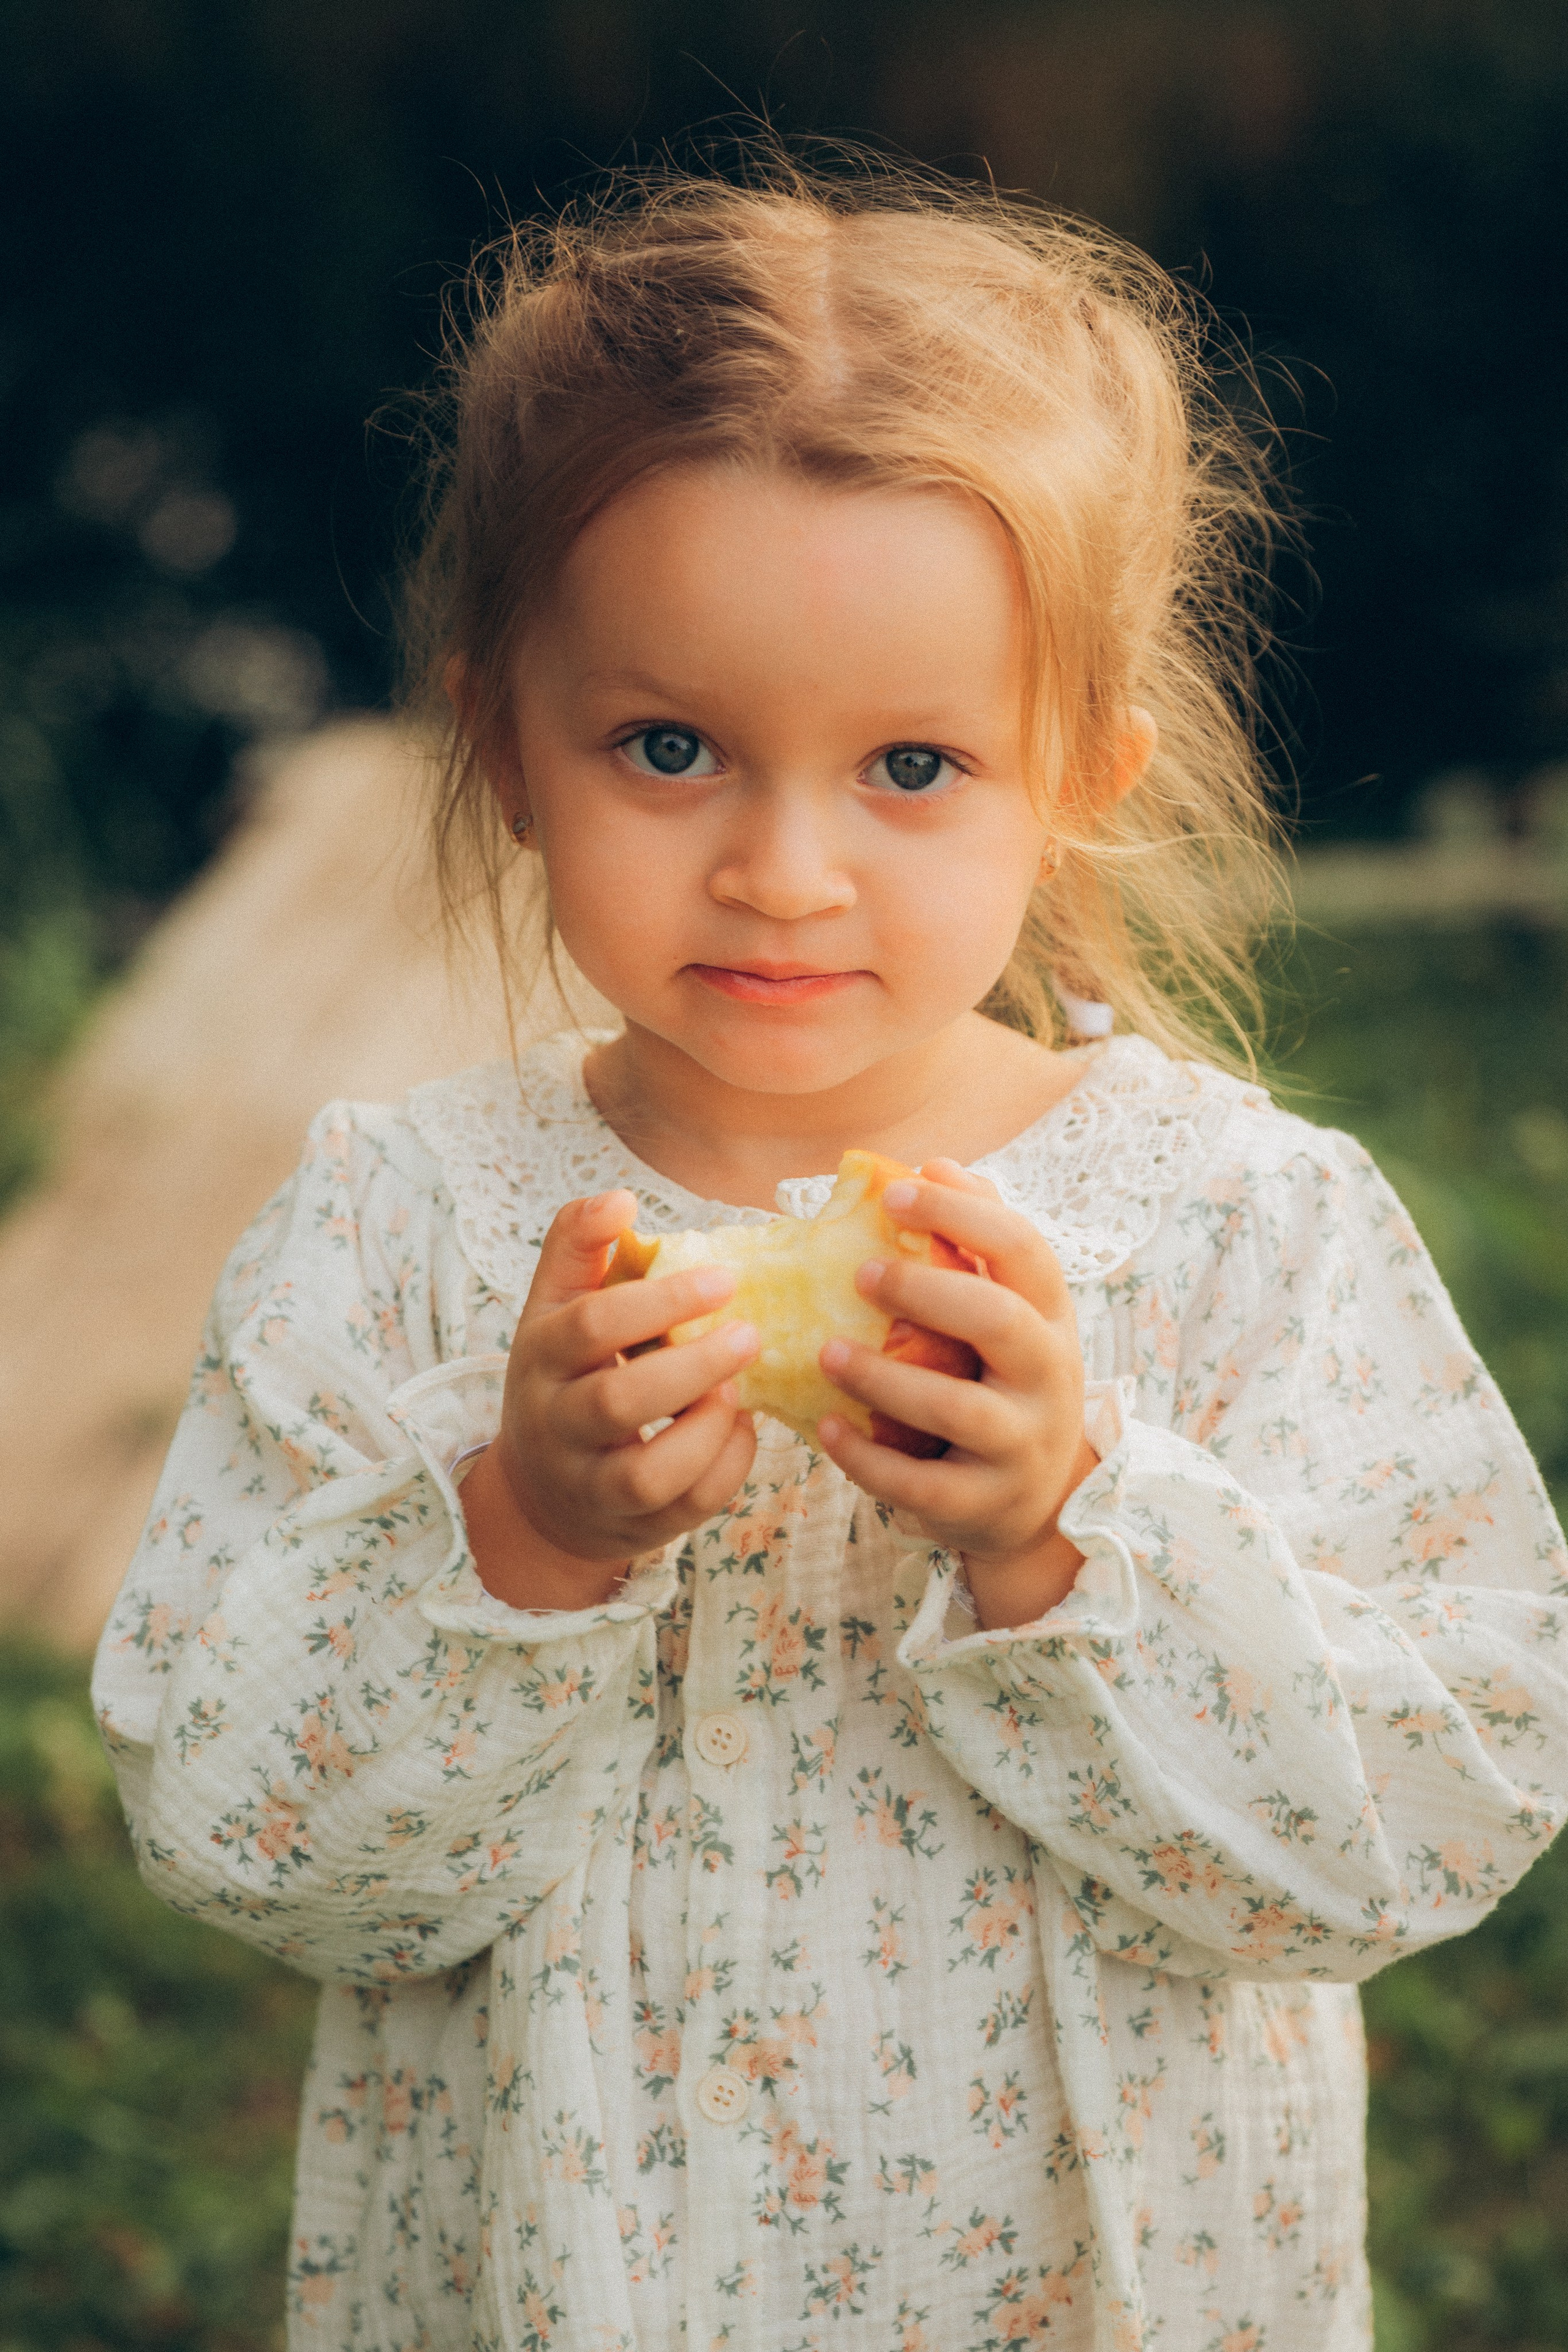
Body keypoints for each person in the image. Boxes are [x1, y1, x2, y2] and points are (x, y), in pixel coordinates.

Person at [94, 156, 1568, 2352]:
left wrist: (1076, 1541)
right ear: (506, 743)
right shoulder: (402, 1229)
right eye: (669, 747)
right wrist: (519, 1533)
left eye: (910, 764)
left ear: (1072, 771)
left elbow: (1439, 1820)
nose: (786, 871)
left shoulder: (1242, 1230)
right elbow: (252, 1842)